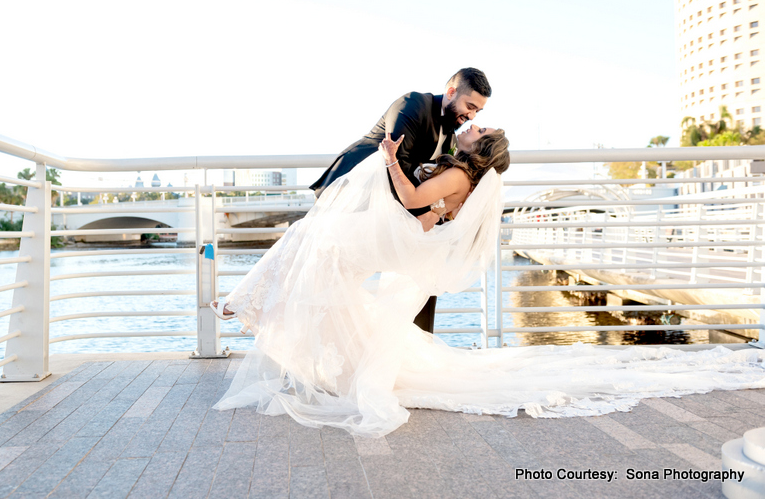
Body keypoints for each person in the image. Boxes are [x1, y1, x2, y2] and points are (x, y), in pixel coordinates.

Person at [210, 128, 765, 438]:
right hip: (392, 240)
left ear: (478, 152)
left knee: (314, 241)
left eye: (478, 130)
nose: (470, 127)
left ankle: (249, 306)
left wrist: (390, 161)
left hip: (386, 236)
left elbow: (408, 200)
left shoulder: (458, 172)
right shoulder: (464, 177)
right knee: (315, 251)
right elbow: (426, 216)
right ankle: (256, 309)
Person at [309, 67, 492, 334]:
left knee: (422, 267)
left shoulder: (452, 136)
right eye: (470, 106)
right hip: (353, 197)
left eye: (478, 112)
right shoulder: (414, 103)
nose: (472, 115)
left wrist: (435, 215)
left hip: (387, 212)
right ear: (451, 92)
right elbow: (397, 161)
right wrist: (426, 215)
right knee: (321, 274)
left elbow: (432, 180)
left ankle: (412, 344)